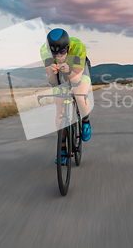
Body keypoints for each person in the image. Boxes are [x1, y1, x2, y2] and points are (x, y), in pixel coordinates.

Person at [40, 28, 92, 164]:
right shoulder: (44, 51)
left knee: (79, 95)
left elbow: (76, 80)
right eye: (54, 53)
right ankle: (62, 149)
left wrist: (68, 71)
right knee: (59, 107)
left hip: (77, 71)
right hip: (60, 74)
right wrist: (52, 73)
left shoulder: (78, 47)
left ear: (68, 48)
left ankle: (85, 120)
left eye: (62, 52)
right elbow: (52, 81)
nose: (58, 56)